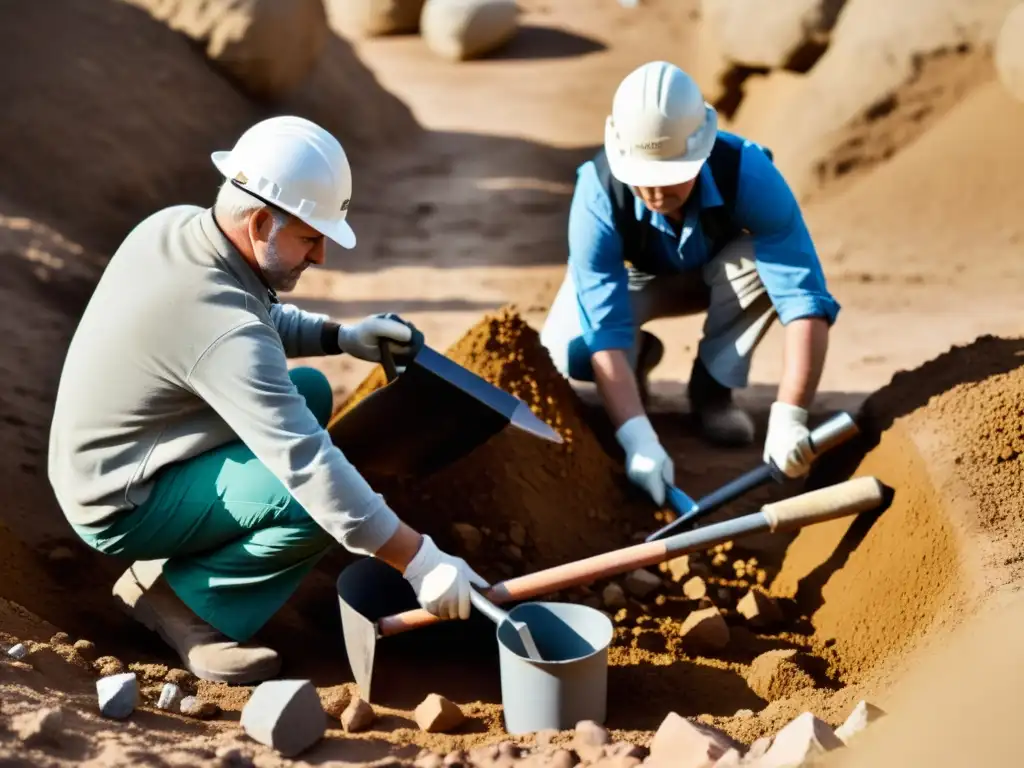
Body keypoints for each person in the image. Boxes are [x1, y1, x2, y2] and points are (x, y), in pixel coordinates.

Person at [47, 115, 486, 684]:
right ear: (259, 222)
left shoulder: (177, 228)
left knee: (310, 390)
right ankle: (186, 604)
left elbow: (252, 317)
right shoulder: (225, 331)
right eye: (310, 237)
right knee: (316, 498)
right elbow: (307, 463)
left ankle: (186, 566)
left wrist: (339, 337)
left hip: (107, 457)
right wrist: (419, 560)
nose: (321, 255)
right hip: (122, 500)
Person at [540, 61, 840, 507]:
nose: (657, 195)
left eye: (670, 176)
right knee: (570, 351)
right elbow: (603, 326)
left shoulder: (748, 171)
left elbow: (803, 298)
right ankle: (637, 362)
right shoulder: (598, 193)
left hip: (718, 275)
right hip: (636, 280)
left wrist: (791, 415)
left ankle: (712, 391)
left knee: (761, 264)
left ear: (701, 148)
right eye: (645, 179)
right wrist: (638, 439)